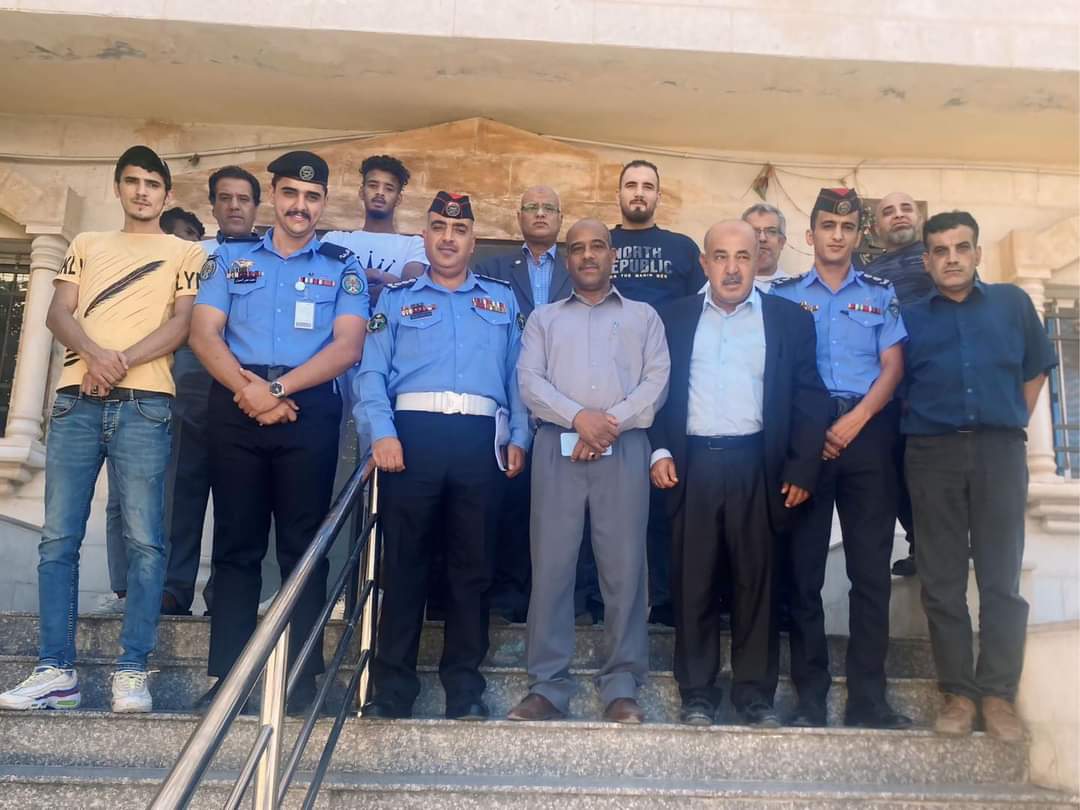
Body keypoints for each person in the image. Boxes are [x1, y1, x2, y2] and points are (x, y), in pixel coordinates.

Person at [0, 145, 202, 713]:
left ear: (166, 194)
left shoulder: (185, 251)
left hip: (146, 403)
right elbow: (57, 313)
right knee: (58, 539)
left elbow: (183, 324)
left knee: (145, 540)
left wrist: (116, 363)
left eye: (153, 184)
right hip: (76, 401)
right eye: (132, 181)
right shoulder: (86, 244)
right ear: (118, 188)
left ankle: (132, 670)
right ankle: (55, 672)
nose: (142, 191)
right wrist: (93, 356)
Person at [189, 151, 369, 715]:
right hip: (235, 398)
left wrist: (277, 390)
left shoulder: (343, 266)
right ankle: (229, 680)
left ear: (324, 202)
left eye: (312, 197)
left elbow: (348, 346)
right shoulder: (230, 259)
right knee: (236, 545)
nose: (300, 205)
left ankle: (300, 679)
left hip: (307, 407)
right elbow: (203, 333)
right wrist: (251, 391)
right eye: (291, 193)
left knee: (303, 546)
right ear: (274, 195)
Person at [650, 220, 829, 727]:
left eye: (743, 256)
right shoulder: (673, 318)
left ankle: (754, 695)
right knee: (694, 582)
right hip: (692, 465)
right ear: (704, 263)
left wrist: (802, 467)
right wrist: (658, 450)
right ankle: (697, 693)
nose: (732, 268)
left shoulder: (789, 320)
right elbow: (655, 389)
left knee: (757, 583)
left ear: (759, 260)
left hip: (759, 466)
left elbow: (809, 396)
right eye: (721, 257)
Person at [358, 191, 528, 721]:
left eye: (459, 230)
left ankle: (464, 689)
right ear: (425, 237)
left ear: (473, 241)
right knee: (403, 566)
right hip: (412, 440)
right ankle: (392, 689)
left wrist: (520, 437)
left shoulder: (502, 300)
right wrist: (381, 433)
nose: (448, 238)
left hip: (481, 439)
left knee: (472, 569)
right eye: (438, 228)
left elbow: (518, 376)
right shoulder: (396, 300)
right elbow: (370, 374)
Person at [508, 218, 670, 724]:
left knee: (624, 570)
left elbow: (657, 383)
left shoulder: (644, 317)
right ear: (567, 259)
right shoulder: (543, 319)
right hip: (557, 448)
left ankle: (622, 685)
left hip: (624, 448)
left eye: (597, 246)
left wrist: (605, 425)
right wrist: (579, 418)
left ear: (612, 255)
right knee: (551, 568)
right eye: (577, 248)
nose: (587, 255)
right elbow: (529, 382)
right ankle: (547, 686)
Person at [902, 210, 1056, 741]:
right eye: (940, 251)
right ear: (926, 261)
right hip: (931, 453)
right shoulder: (909, 318)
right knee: (942, 581)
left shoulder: (1013, 305)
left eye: (961, 247)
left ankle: (997, 695)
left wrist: (1007, 420)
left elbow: (1035, 369)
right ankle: (958, 695)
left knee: (1000, 580)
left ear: (977, 253)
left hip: (999, 452)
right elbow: (899, 384)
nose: (952, 259)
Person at [770, 187, 911, 729]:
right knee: (803, 574)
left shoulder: (879, 293)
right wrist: (814, 432)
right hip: (804, 440)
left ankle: (868, 700)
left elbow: (893, 367)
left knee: (870, 574)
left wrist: (854, 420)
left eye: (847, 227)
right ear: (810, 235)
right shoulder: (783, 295)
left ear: (858, 235)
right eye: (827, 225)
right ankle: (810, 699)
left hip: (867, 434)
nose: (836, 235)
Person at [101, 167, 263, 617]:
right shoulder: (191, 253)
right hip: (190, 374)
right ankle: (173, 588)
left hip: (246, 376)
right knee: (181, 485)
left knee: (239, 491)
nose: (234, 206)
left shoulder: (270, 255)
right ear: (213, 205)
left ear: (256, 207)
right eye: (225, 198)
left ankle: (226, 594)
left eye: (243, 199)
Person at [609, 159, 704, 627]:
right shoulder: (600, 243)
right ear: (619, 193)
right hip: (608, 386)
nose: (639, 193)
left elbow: (704, 310)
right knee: (607, 500)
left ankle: (666, 599)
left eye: (648, 186)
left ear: (658, 196)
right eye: (631, 185)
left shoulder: (682, 249)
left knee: (667, 493)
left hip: (671, 385)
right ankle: (599, 600)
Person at [475, 185, 571, 624]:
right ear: (519, 216)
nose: (540, 214)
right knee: (511, 503)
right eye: (531, 207)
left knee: (562, 510)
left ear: (560, 218)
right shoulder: (492, 269)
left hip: (567, 404)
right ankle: (510, 595)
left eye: (548, 208)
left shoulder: (577, 266)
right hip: (510, 400)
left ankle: (559, 597)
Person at [864, 191, 935, 578]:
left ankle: (949, 543)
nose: (898, 215)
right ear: (877, 227)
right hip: (890, 390)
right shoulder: (870, 274)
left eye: (906, 208)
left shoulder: (937, 257)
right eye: (888, 211)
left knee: (934, 473)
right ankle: (919, 545)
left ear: (919, 217)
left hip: (932, 386)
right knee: (895, 472)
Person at [322, 154, 426, 303]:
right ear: (361, 192)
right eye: (373, 185)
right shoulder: (335, 239)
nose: (380, 193)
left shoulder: (414, 244)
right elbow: (325, 284)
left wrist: (370, 276)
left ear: (398, 199)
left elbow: (410, 289)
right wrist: (381, 279)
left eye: (389, 188)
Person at [741, 202, 789, 290]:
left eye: (771, 231)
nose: (762, 238)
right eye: (754, 231)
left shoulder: (795, 289)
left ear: (781, 242)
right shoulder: (723, 288)